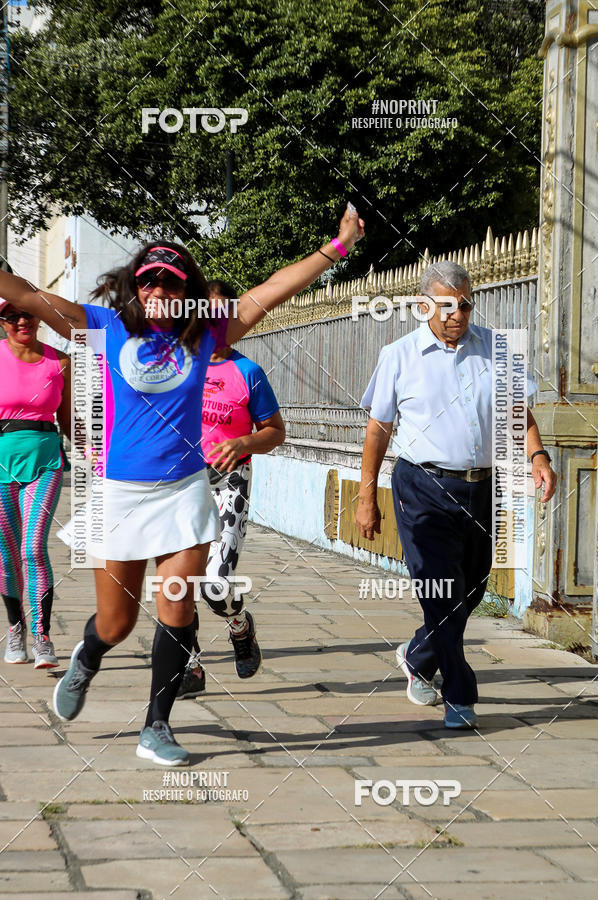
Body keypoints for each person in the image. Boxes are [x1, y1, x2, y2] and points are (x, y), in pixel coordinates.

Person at [0, 205, 364, 766]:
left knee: (176, 606)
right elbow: (23, 294)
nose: (160, 292)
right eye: (149, 282)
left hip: (184, 490)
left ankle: (157, 726)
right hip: (119, 494)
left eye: (171, 283)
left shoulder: (206, 335)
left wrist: (336, 248)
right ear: (135, 288)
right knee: (117, 623)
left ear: (186, 290)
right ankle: (89, 656)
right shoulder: (102, 325)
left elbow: (273, 290)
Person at [355, 260, 556, 729]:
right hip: (421, 486)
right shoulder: (399, 355)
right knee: (440, 589)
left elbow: (518, 414)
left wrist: (538, 457)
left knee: (473, 585)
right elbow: (377, 431)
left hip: (483, 487)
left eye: (464, 305)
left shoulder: (497, 349)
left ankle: (419, 656)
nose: (456, 314)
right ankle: (460, 694)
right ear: (425, 305)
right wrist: (366, 498)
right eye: (446, 305)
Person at [177, 279, 286, 699]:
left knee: (216, 584)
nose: (214, 322)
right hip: (182, 485)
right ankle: (191, 665)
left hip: (230, 482)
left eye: (223, 314)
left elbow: (276, 432)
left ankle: (240, 625)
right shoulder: (179, 367)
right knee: (179, 584)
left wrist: (244, 442)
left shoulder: (248, 373)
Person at [0, 299, 71, 668]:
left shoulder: (59, 361)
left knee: (32, 548)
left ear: (39, 317)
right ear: (2, 322)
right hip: (0, 464)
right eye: (11, 316)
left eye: (26, 314)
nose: (21, 321)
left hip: (46, 461)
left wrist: (99, 455)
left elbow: (72, 420)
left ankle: (42, 636)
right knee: (7, 555)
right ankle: (16, 629)